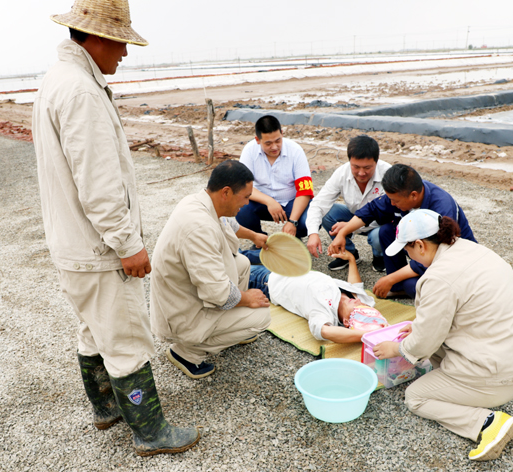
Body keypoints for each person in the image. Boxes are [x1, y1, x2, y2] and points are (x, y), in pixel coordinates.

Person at [31, 0, 199, 457]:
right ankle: (151, 431)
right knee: (125, 339)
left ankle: (105, 408)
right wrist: (128, 244)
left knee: (94, 329)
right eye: (120, 42)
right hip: (98, 250)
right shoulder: (81, 91)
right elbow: (100, 186)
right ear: (97, 38)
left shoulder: (57, 80)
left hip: (72, 245)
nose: (124, 52)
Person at [372, 209, 513, 462]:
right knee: (430, 346)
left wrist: (395, 348)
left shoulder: (438, 277)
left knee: (415, 397)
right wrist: (420, 325)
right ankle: (462, 388)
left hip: (499, 376)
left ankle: (487, 422)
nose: (409, 256)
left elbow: (423, 343)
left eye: (408, 250)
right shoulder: (470, 249)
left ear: (420, 245)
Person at [150, 160, 272, 380]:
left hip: (188, 292)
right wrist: (248, 299)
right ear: (226, 192)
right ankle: (187, 353)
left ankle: (229, 327)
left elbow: (230, 224)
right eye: (245, 197)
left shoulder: (201, 201)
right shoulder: (199, 228)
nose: (247, 202)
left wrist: (254, 236)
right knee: (262, 316)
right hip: (183, 313)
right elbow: (219, 293)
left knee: (243, 263)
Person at [328, 164, 476, 299]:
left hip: (454, 261)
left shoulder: (442, 207)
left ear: (413, 195)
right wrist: (343, 232)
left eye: (396, 201)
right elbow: (372, 210)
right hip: (424, 251)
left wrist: (390, 278)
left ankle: (404, 285)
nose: (392, 203)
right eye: (390, 199)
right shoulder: (401, 193)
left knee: (414, 287)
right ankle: (398, 287)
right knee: (386, 231)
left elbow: (436, 253)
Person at [305, 135, 391, 272]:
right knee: (328, 212)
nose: (361, 173)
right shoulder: (341, 173)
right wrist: (313, 233)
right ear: (349, 160)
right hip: (353, 216)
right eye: (355, 167)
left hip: (380, 223)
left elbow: (393, 215)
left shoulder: (388, 174)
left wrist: (350, 227)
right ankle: (348, 253)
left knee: (378, 235)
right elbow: (318, 204)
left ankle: (379, 256)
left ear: (377, 161)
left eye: (367, 167)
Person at [264, 251, 388, 343]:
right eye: (364, 305)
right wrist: (351, 259)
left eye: (359, 309)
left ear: (346, 321)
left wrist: (367, 335)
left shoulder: (324, 312)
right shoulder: (355, 298)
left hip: (269, 280)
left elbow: (324, 331)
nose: (359, 301)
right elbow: (356, 286)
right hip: (290, 267)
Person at [236, 115, 313, 239]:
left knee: (310, 219)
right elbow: (242, 186)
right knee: (241, 208)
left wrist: (292, 221)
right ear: (257, 140)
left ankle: (292, 238)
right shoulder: (249, 151)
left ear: (282, 133)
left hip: (291, 203)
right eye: (268, 143)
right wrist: (269, 201)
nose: (275, 147)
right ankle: (259, 239)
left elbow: (305, 191)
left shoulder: (296, 151)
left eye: (278, 141)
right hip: (261, 204)